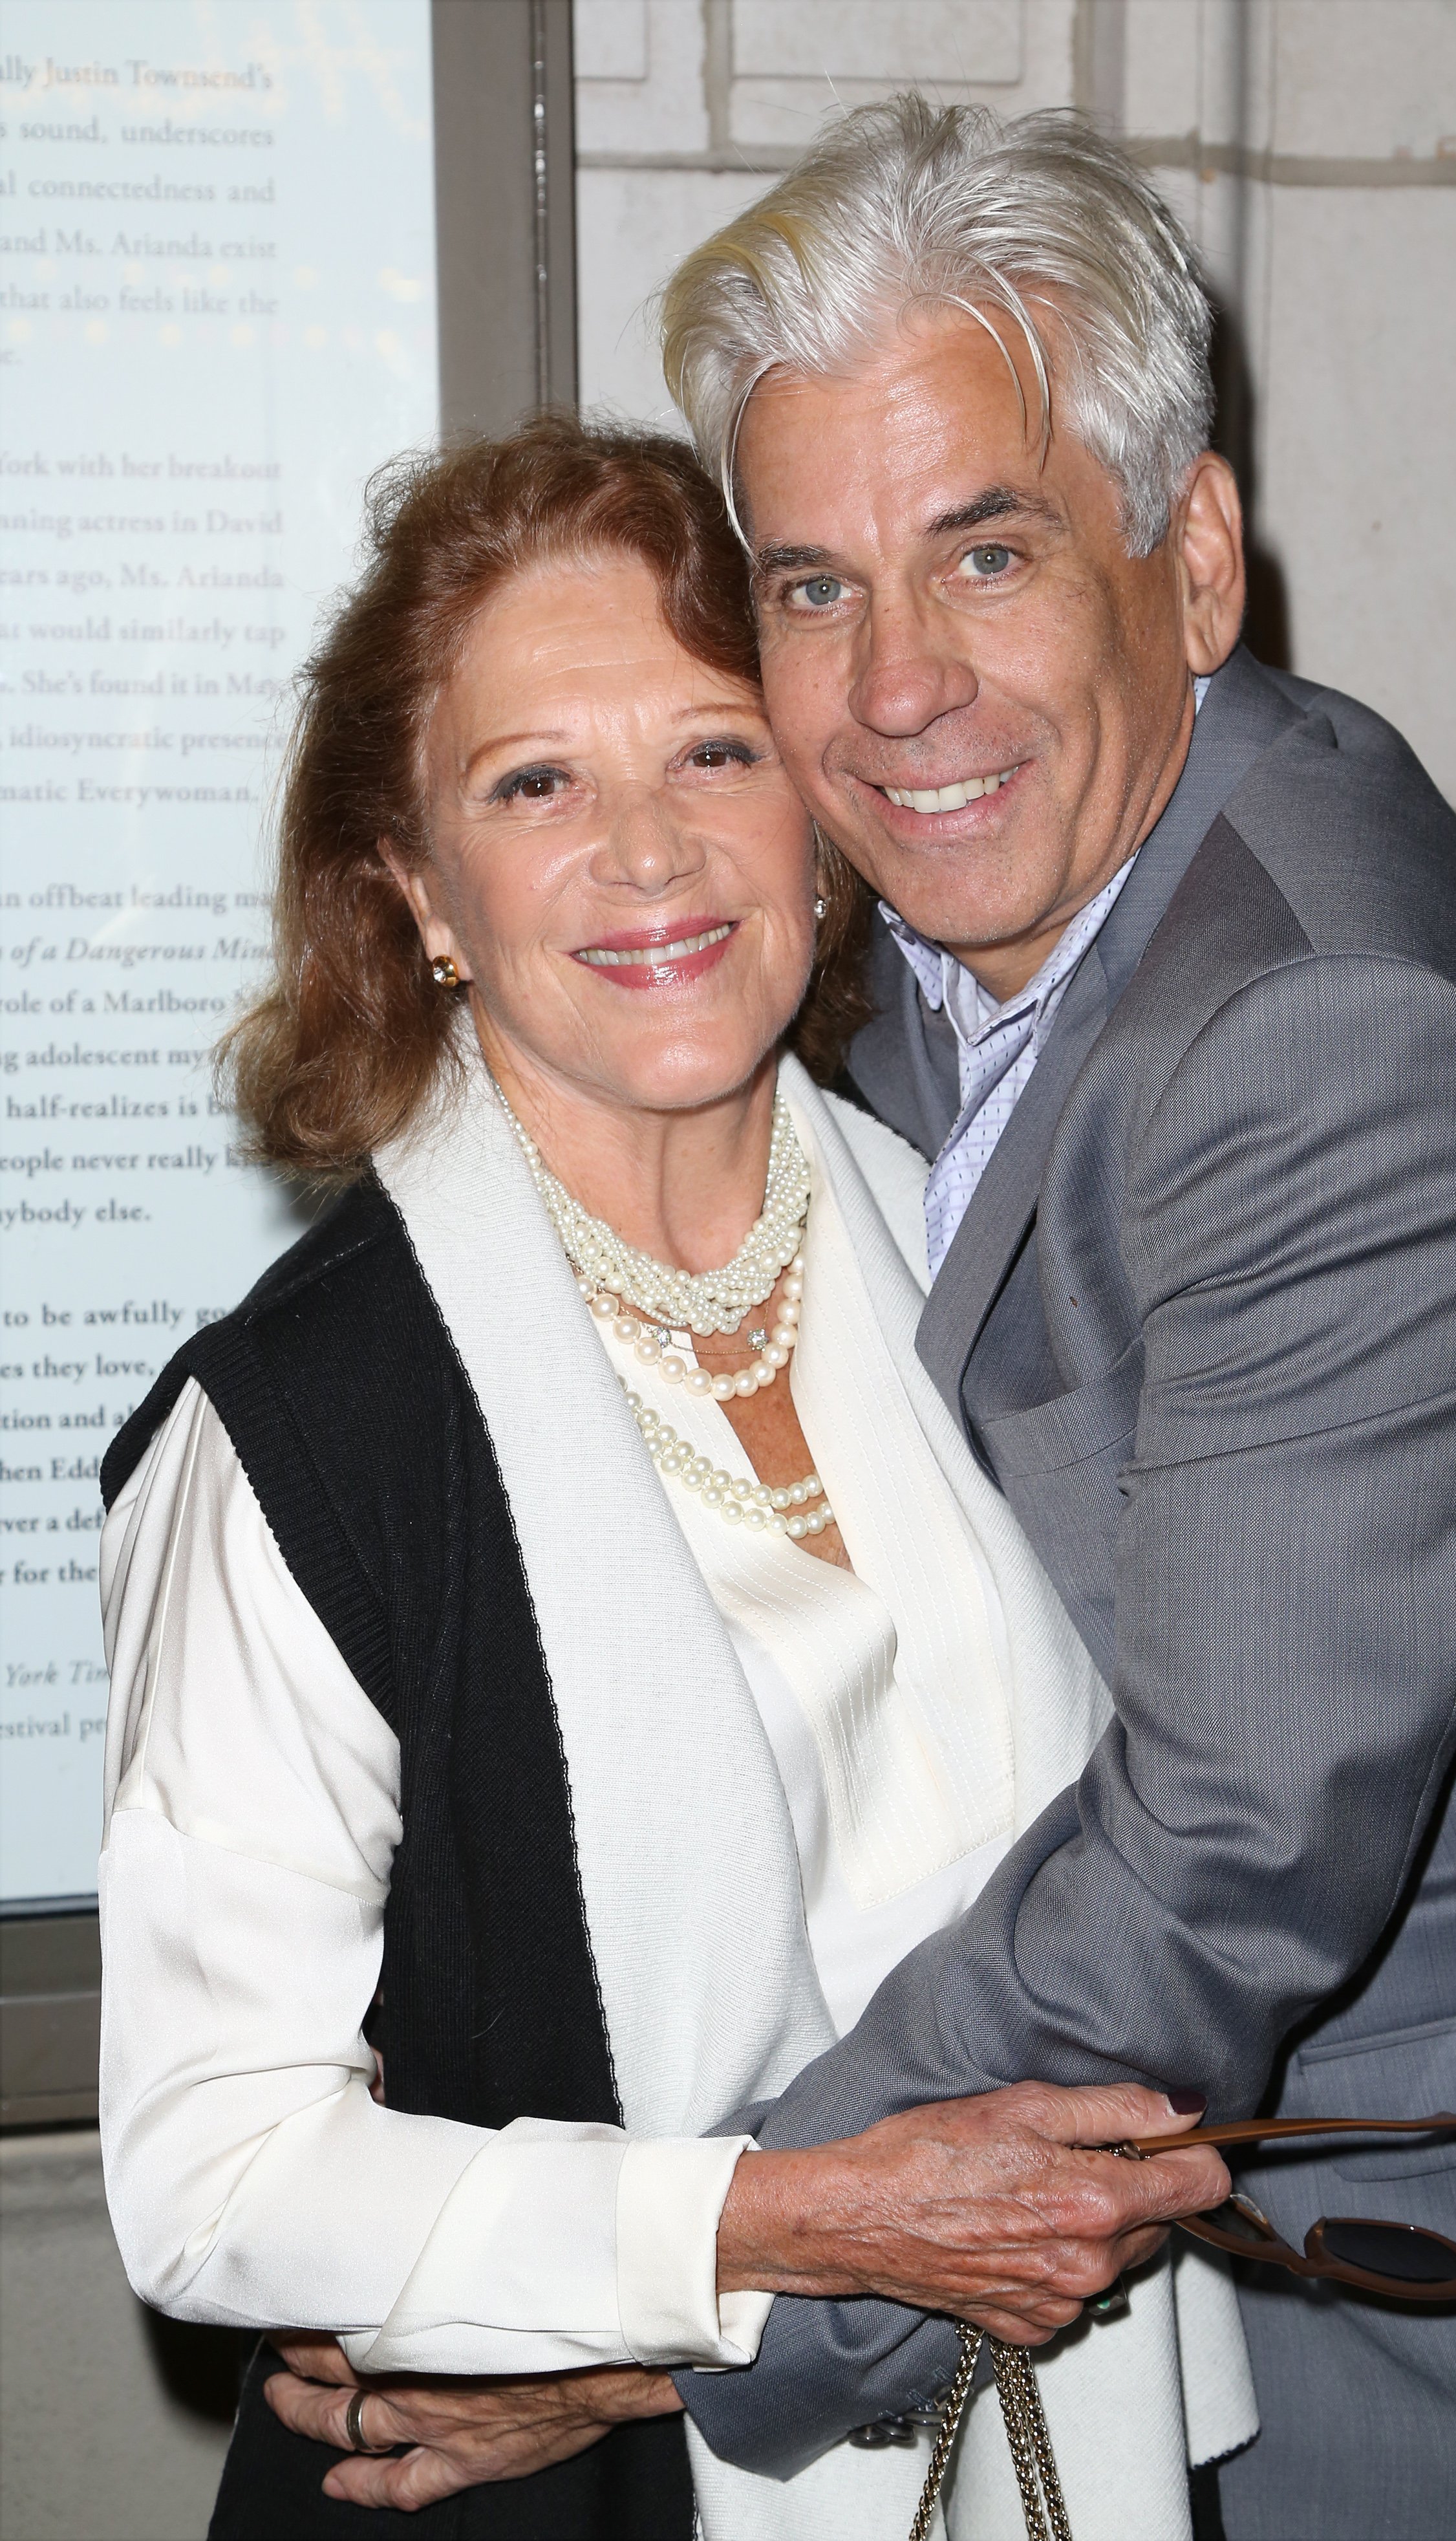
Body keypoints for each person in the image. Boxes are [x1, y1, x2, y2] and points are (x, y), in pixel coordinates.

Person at [648, 99, 1456, 2541]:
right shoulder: (941, 941)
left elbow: (1205, 1872)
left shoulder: (1335, 1039)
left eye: (984, 553)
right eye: (812, 589)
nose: (896, 691)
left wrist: (681, 2292)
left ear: (1190, 558)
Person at [96, 416, 1245, 2541]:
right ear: (417, 890)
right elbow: (215, 2173)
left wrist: (710, 2316)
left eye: (714, 752)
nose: (648, 850)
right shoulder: (296, 1433)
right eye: (536, 782)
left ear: (816, 807)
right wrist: (771, 2242)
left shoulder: (996, 1243)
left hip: (1030, 2443)